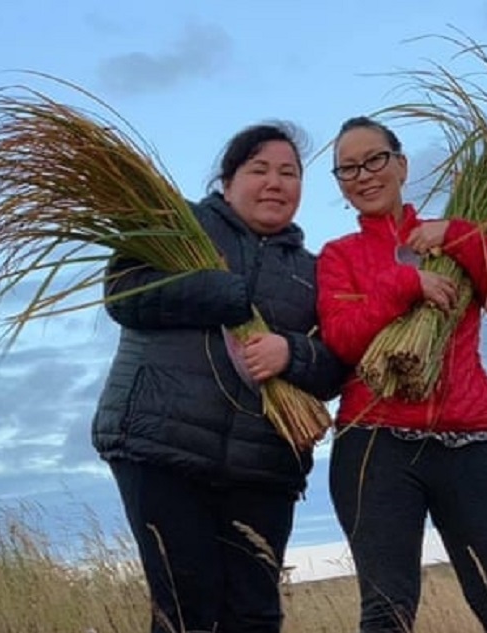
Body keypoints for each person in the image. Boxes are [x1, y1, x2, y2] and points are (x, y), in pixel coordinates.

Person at [91, 122, 347, 633]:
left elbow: (338, 362)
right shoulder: (178, 226)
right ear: (227, 181)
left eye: (289, 173)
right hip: (162, 446)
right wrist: (216, 292)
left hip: (263, 464)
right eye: (260, 170)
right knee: (188, 607)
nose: (276, 183)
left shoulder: (313, 271)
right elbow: (123, 293)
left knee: (255, 615)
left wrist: (291, 354)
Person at [316, 116, 487, 633]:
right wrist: (405, 284)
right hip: (375, 445)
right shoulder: (340, 256)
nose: (363, 175)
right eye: (348, 169)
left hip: (472, 442)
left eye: (375, 159)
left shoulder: (452, 238)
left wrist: (463, 236)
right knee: (387, 612)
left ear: (401, 164)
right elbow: (340, 338)